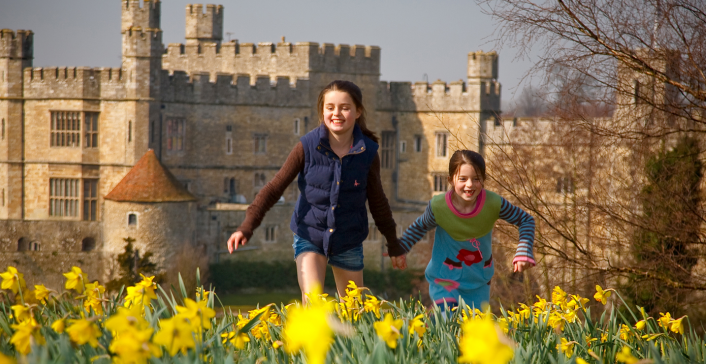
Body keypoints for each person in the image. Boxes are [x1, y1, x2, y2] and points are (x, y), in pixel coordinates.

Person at [226, 80, 405, 300]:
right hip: (310, 234)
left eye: (345, 107)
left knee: (355, 311)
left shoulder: (368, 153)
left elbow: (378, 202)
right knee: (314, 303)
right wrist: (247, 226)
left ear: (358, 111)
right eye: (330, 107)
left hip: (348, 239)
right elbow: (274, 188)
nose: (336, 113)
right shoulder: (307, 146)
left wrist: (394, 244)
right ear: (322, 111)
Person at [393, 150, 535, 312]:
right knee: (447, 319)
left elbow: (525, 220)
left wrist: (523, 251)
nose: (470, 185)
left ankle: (432, 324)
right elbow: (419, 227)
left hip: (478, 282)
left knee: (470, 331)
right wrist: (401, 248)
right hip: (444, 279)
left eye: (476, 179)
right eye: (463, 179)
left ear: (483, 180)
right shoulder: (439, 207)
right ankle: (436, 321)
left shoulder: (493, 203)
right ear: (451, 180)